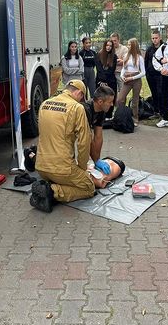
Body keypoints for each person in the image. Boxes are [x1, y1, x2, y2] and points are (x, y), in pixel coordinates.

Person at [30, 80, 93, 212]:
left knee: (61, 177)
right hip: (62, 169)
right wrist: (82, 168)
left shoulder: (44, 104)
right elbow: (84, 142)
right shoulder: (77, 108)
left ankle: (46, 186)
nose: (81, 101)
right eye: (82, 98)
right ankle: (52, 192)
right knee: (88, 187)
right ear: (79, 93)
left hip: (41, 168)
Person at [83, 86, 116, 174]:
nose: (112, 104)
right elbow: (87, 139)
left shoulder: (101, 110)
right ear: (100, 102)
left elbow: (98, 136)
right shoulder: (85, 110)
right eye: (110, 102)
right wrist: (95, 159)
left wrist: (97, 159)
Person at [117, 38, 146, 126]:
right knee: (120, 99)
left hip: (136, 80)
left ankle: (135, 118)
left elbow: (143, 73)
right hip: (126, 78)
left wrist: (132, 78)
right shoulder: (126, 55)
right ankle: (122, 115)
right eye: (128, 44)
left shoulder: (139, 57)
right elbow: (123, 68)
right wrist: (122, 76)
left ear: (134, 46)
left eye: (130, 45)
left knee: (135, 100)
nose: (128, 46)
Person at [95, 39, 118, 118]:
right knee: (100, 98)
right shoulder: (98, 55)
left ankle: (109, 115)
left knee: (110, 98)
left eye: (110, 46)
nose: (108, 47)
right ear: (104, 46)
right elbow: (99, 69)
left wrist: (106, 81)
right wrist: (102, 81)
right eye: (107, 45)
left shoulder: (114, 57)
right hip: (100, 81)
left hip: (111, 81)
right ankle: (99, 116)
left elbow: (111, 70)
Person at [145, 30, 163, 115]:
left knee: (161, 93)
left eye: (156, 38)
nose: (154, 40)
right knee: (154, 93)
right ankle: (156, 111)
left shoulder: (164, 48)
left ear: (160, 38)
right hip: (150, 76)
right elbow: (146, 61)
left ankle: (163, 111)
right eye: (153, 38)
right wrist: (147, 73)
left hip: (161, 76)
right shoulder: (149, 49)